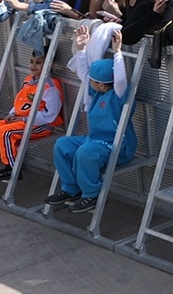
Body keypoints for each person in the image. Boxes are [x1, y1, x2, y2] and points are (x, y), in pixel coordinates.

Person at [46, 25, 134, 214]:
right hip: (95, 140)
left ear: (102, 84)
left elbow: (119, 80)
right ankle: (71, 189)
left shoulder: (118, 96)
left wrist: (118, 53)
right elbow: (84, 74)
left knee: (85, 153)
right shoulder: (97, 92)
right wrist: (82, 49)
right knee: (62, 145)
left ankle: (91, 195)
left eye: (94, 81)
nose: (89, 82)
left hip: (117, 145)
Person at [0, 46, 59, 180]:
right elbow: (20, 101)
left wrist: (23, 120)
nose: (33, 65)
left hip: (40, 125)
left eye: (38, 62)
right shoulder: (29, 80)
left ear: (49, 64)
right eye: (31, 61)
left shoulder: (50, 86)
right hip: (21, 119)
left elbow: (50, 115)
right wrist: (12, 113)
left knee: (5, 132)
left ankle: (12, 168)